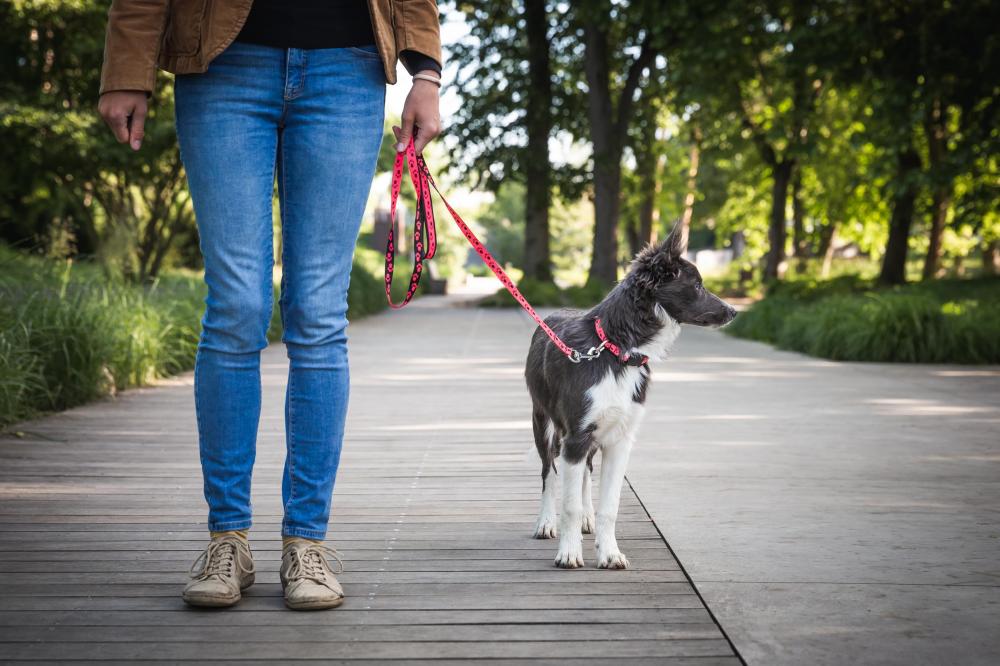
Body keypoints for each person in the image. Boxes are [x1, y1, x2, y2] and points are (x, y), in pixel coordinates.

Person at [97, 0, 441, 611]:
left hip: (349, 67)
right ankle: (227, 537)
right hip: (222, 64)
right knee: (236, 305)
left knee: (318, 311)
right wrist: (128, 68)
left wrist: (426, 73)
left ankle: (306, 542)